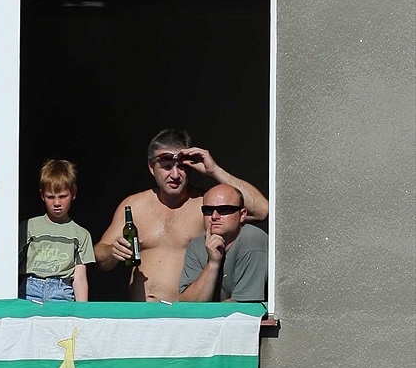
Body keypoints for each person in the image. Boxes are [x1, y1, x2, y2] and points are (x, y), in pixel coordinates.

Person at [94, 128, 268, 304]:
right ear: (151, 167)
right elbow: (98, 260)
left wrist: (214, 170)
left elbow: (261, 211)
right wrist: (111, 252)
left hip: (185, 315)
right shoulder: (134, 206)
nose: (175, 175)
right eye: (167, 167)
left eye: (182, 167)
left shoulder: (206, 207)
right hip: (141, 316)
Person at [19, 159, 95, 303]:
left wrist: (82, 313)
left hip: (62, 291)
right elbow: (12, 262)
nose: (57, 203)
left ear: (73, 193)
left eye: (62, 196)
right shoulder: (29, 226)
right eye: (50, 197)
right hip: (30, 289)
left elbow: (79, 278)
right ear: (42, 195)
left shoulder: (81, 234)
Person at [179, 184, 268, 302]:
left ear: (242, 215)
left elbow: (244, 307)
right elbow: (189, 305)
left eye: (224, 210)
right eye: (208, 210)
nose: (214, 216)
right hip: (211, 319)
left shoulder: (252, 238)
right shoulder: (196, 245)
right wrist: (213, 263)